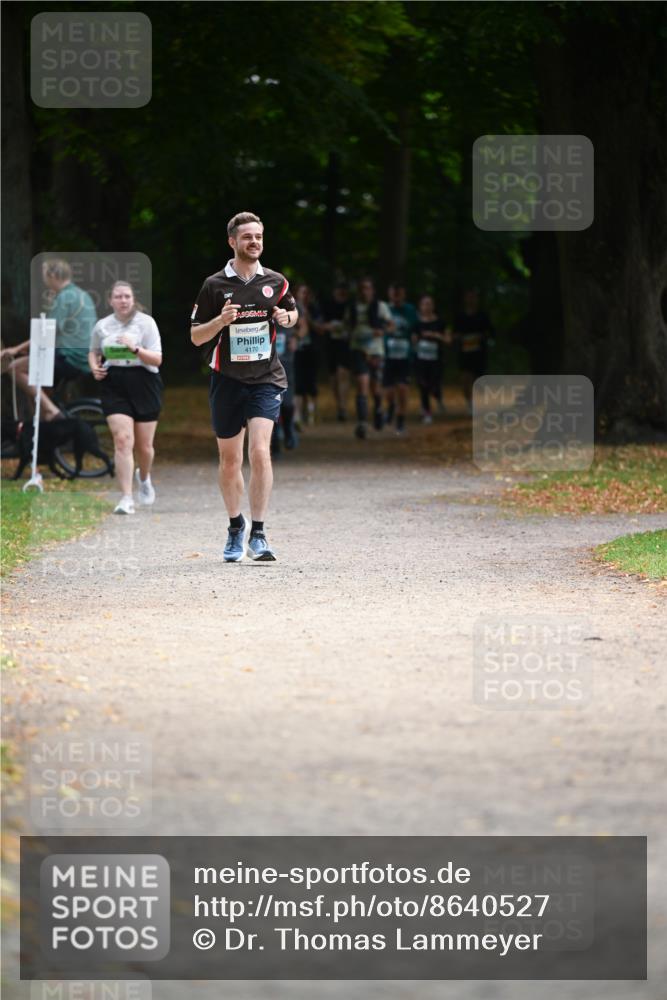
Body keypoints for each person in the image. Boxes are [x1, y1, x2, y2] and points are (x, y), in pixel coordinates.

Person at [190, 211, 298, 562]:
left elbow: (290, 311)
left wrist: (287, 318)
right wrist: (220, 321)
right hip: (227, 380)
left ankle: (260, 534)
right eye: (248, 237)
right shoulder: (214, 285)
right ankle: (236, 526)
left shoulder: (276, 281)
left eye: (259, 237)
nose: (254, 242)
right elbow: (194, 337)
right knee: (230, 460)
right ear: (232, 242)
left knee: (260, 451)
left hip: (266, 378)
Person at [88, 281, 163, 515]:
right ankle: (126, 497)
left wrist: (135, 349)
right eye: (118, 297)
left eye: (127, 296)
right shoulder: (103, 326)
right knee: (122, 440)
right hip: (114, 383)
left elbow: (158, 360)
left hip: (144, 382)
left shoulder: (146, 323)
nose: (123, 300)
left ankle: (144, 476)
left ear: (133, 299)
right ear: (110, 301)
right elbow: (94, 351)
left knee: (145, 447)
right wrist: (93, 366)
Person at [6, 259, 97, 420]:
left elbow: (48, 332)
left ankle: (50, 411)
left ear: (53, 275)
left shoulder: (64, 297)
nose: (44, 281)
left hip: (70, 357)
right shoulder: (81, 294)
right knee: (40, 386)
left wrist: (16, 349)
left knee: (15, 368)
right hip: (83, 357)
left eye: (45, 276)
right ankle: (47, 429)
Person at [348, 277, 392, 439]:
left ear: (372, 290)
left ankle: (379, 408)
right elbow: (348, 325)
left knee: (376, 387)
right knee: (362, 385)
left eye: (368, 288)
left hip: (376, 351)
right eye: (362, 288)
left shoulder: (380, 307)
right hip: (358, 349)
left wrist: (382, 331)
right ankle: (362, 423)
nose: (364, 291)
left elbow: (391, 324)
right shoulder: (352, 307)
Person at [453, 289, 494, 411]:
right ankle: (470, 403)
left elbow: (491, 332)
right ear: (465, 299)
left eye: (473, 297)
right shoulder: (460, 316)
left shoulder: (483, 316)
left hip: (479, 354)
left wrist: (482, 337)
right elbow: (454, 334)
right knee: (465, 379)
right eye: (469, 297)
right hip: (464, 353)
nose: (471, 299)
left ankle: (480, 403)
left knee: (479, 381)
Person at [384, 283, 418, 435]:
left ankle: (400, 422)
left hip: (404, 356)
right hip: (388, 356)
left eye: (399, 293)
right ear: (389, 294)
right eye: (394, 293)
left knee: (403, 390)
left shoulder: (410, 310)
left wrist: (415, 339)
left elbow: (416, 328)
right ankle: (390, 407)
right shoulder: (384, 309)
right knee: (390, 392)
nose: (397, 296)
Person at [414, 294, 448, 423]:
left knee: (434, 385)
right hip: (421, 360)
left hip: (436, 360)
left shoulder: (440, 322)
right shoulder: (416, 323)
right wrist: (415, 340)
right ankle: (427, 411)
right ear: (420, 306)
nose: (426, 307)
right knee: (423, 384)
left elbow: (448, 339)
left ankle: (437, 395)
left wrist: (435, 335)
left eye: (429, 304)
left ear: (433, 306)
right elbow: (413, 339)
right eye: (424, 304)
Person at [321, 281, 351, 421]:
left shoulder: (350, 306)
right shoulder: (327, 305)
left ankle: (343, 407)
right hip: (330, 344)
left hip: (346, 344)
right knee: (333, 378)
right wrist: (329, 327)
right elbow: (320, 324)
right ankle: (339, 404)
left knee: (343, 373)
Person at [293, 284, 321, 428]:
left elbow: (319, 328)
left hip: (311, 349)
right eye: (301, 292)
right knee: (298, 382)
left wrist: (307, 317)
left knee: (311, 382)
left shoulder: (314, 309)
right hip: (296, 349)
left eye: (306, 293)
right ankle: (297, 415)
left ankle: (310, 413)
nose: (304, 296)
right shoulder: (290, 308)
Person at [271, 317, 298, 457]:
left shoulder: (288, 309)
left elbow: (302, 325)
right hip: (267, 370)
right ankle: (274, 445)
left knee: (287, 405)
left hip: (286, 367)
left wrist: (295, 339)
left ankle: (288, 429)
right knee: (271, 407)